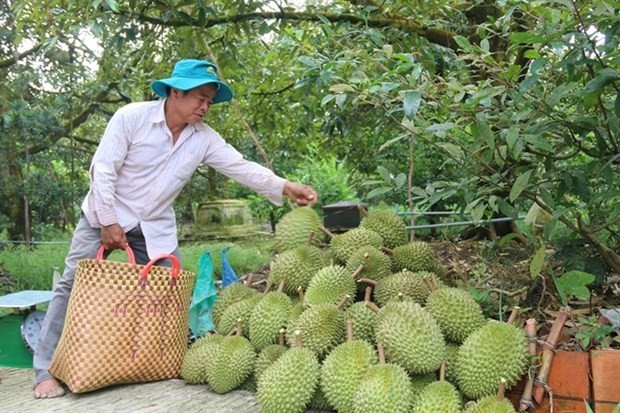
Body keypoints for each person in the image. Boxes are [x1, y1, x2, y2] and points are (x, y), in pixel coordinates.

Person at [33, 58, 318, 398]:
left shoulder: (204, 139)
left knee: (168, 292)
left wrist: (287, 187)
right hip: (104, 215)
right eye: (200, 97)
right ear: (175, 92)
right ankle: (45, 370)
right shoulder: (131, 118)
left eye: (210, 101)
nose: (205, 106)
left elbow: (241, 167)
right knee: (73, 285)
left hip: (154, 226)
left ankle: (148, 362)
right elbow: (103, 170)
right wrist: (108, 221)